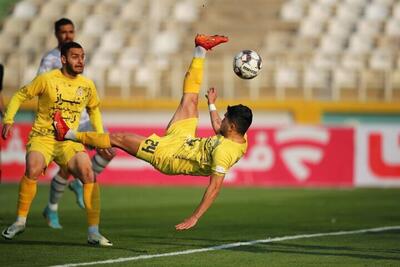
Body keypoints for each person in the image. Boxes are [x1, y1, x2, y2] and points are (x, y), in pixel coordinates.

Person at [54, 34, 253, 231]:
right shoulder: (240, 135)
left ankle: (69, 134)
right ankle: (201, 49)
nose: (223, 119)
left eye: (226, 118)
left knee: (118, 138)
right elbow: (219, 127)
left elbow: (215, 188)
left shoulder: (224, 153)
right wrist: (211, 104)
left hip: (168, 155)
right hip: (184, 139)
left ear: (233, 126)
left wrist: (195, 217)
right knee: (190, 100)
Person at [2, 41, 112, 246]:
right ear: (63, 59)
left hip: (69, 140)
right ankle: (20, 221)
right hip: (42, 137)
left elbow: (94, 110)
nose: (80, 61)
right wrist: (9, 120)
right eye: (75, 57)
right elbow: (19, 95)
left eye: (82, 56)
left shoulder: (87, 85)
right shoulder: (46, 80)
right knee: (33, 168)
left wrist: (99, 136)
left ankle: (93, 232)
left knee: (88, 173)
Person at [38, 18, 115, 229]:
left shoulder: (78, 55)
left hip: (84, 120)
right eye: (63, 32)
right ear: (56, 34)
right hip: (62, 124)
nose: (67, 35)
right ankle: (52, 209)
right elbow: (41, 90)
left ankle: (80, 183)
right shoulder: (50, 60)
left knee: (109, 149)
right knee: (67, 167)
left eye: (70, 31)